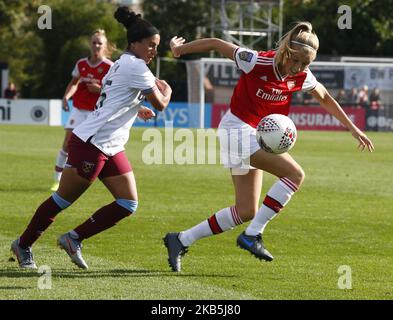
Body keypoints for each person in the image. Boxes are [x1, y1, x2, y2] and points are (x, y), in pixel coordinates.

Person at [163, 22, 374, 272]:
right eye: (296, 60)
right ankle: (253, 236)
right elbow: (217, 44)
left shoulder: (302, 76)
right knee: (295, 174)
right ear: (287, 50)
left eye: (305, 64)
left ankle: (180, 239)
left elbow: (325, 97)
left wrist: (352, 127)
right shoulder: (255, 61)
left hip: (255, 136)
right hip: (236, 130)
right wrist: (180, 50)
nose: (299, 67)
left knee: (246, 210)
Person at [10, 6, 172, 269]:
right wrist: (169, 90)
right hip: (92, 143)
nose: (154, 50)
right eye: (151, 45)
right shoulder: (137, 68)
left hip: (110, 145)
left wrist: (135, 106)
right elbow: (162, 103)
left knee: (128, 202)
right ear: (135, 43)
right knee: (61, 199)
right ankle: (23, 244)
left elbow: (115, 95)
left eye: (157, 46)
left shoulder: (121, 63)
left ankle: (73, 238)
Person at [51, 29, 114, 191]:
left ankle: (89, 177)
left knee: (94, 147)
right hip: (78, 109)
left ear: (105, 46)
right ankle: (57, 180)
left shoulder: (110, 66)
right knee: (67, 143)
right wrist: (66, 97)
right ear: (90, 44)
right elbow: (74, 83)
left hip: (97, 114)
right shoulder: (81, 64)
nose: (96, 45)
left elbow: (115, 91)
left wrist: (99, 89)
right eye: (94, 42)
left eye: (100, 43)